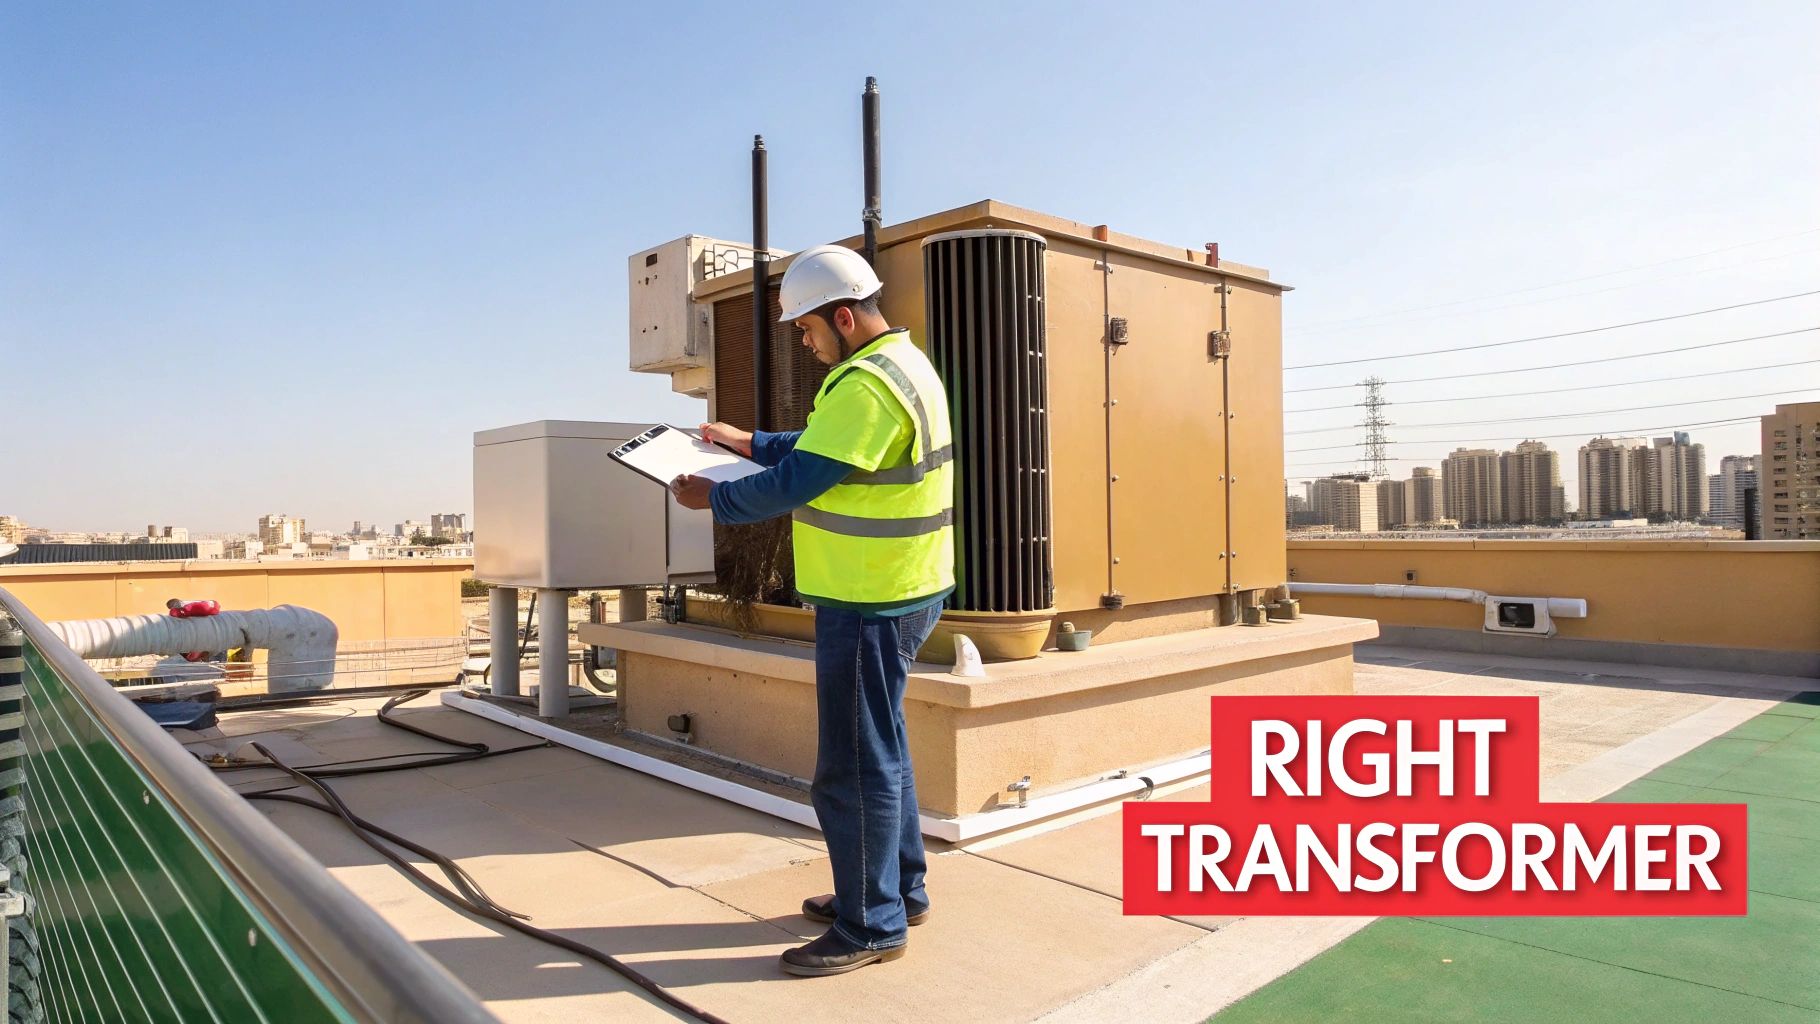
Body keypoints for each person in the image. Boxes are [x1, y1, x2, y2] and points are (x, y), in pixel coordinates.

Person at [669, 243, 955, 977]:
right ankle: (899, 891)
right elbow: (823, 451)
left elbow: (805, 477)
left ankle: (870, 926)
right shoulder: (899, 366)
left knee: (853, 765)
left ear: (844, 316)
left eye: (805, 328)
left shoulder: (863, 386)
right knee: (881, 745)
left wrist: (717, 495)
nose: (803, 340)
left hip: (870, 598)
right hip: (904, 585)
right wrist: (749, 442)